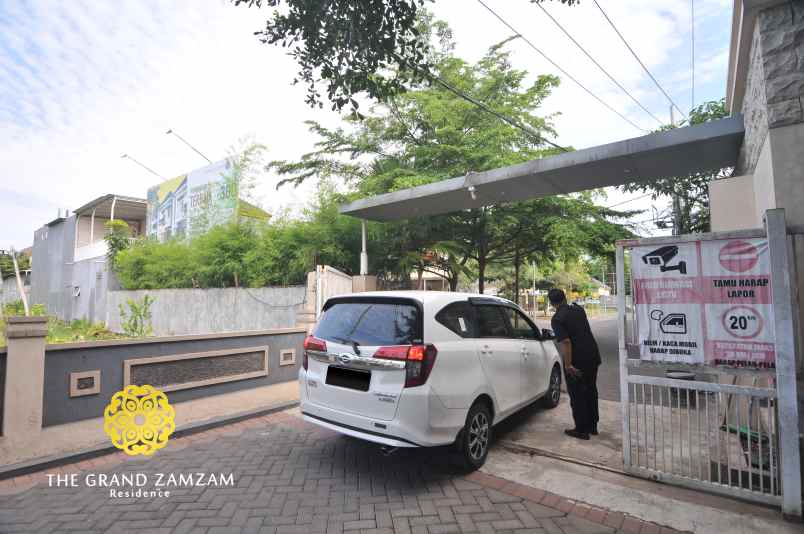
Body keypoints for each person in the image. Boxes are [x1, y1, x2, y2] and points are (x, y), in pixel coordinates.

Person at [548, 288, 601, 440]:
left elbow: (566, 342)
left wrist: (568, 365)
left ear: (551, 303)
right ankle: (593, 426)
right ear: (564, 298)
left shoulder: (557, 319)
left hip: (577, 361)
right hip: (592, 355)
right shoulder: (579, 310)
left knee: (577, 395)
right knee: (591, 391)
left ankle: (581, 430)